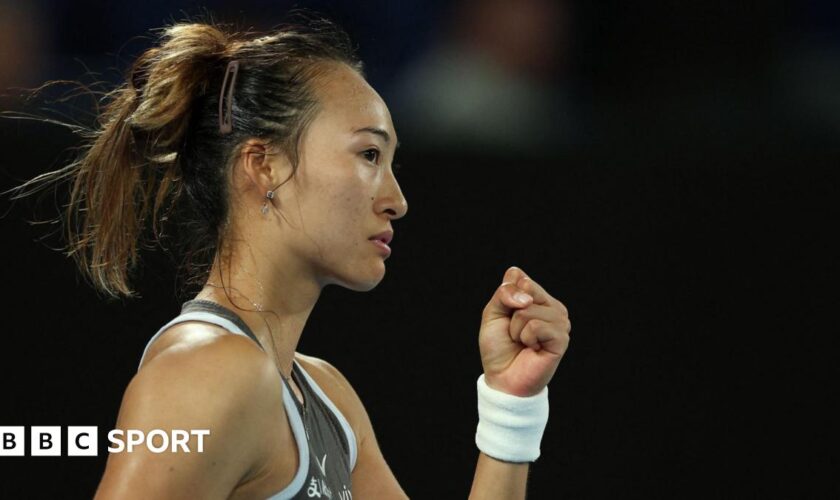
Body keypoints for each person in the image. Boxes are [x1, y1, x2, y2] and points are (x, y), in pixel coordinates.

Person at [13, 15, 571, 499]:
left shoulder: (329, 400)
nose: (396, 200)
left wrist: (509, 403)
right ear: (265, 165)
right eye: (369, 154)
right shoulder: (208, 374)